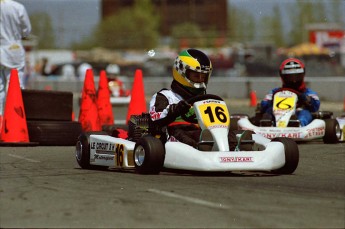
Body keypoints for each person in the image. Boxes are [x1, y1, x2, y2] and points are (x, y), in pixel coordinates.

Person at [149, 48, 252, 150]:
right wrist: (175, 109)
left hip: (204, 132)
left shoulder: (204, 100)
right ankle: (202, 148)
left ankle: (236, 149)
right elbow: (155, 117)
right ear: (181, 72)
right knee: (184, 135)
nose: (200, 80)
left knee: (229, 135)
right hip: (176, 132)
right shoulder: (166, 96)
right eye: (196, 76)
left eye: (203, 77)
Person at [260, 58, 320, 126]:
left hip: (298, 111)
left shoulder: (307, 92)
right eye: (290, 77)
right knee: (268, 112)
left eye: (296, 77)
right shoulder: (275, 92)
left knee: (304, 114)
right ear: (283, 77)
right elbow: (263, 105)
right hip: (278, 112)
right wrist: (271, 101)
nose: (294, 81)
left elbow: (316, 106)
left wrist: (306, 99)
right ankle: (266, 125)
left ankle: (298, 125)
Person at [0, 0, 31, 116]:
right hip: (13, 49)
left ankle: (1, 120)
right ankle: (14, 118)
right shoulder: (17, 7)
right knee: (15, 85)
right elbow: (26, 31)